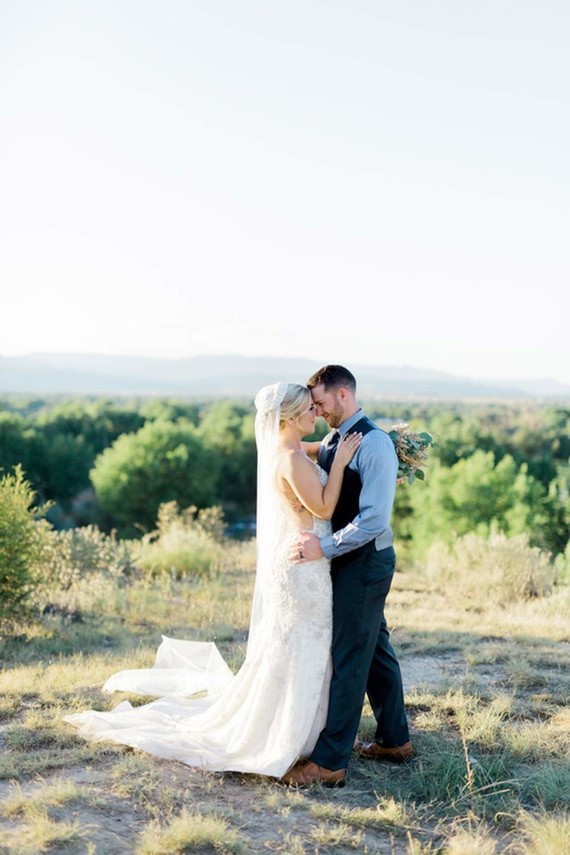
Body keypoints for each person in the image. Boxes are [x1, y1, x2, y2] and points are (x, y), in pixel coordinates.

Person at [64, 382, 361, 780]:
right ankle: (293, 736)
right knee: (305, 646)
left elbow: (312, 458)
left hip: (301, 562)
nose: (316, 415)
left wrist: (338, 454)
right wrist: (339, 464)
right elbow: (323, 504)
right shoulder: (289, 460)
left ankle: (308, 733)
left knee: (299, 647)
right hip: (302, 568)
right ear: (289, 418)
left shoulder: (287, 452)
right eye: (309, 410)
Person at [282, 365, 412, 789]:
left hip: (366, 561)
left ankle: (331, 761)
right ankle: (395, 740)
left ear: (342, 394)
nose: (316, 411)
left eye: (319, 402)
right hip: (353, 561)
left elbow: (374, 519)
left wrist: (325, 547)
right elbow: (299, 449)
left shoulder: (374, 444)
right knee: (375, 649)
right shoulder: (339, 439)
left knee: (350, 659)